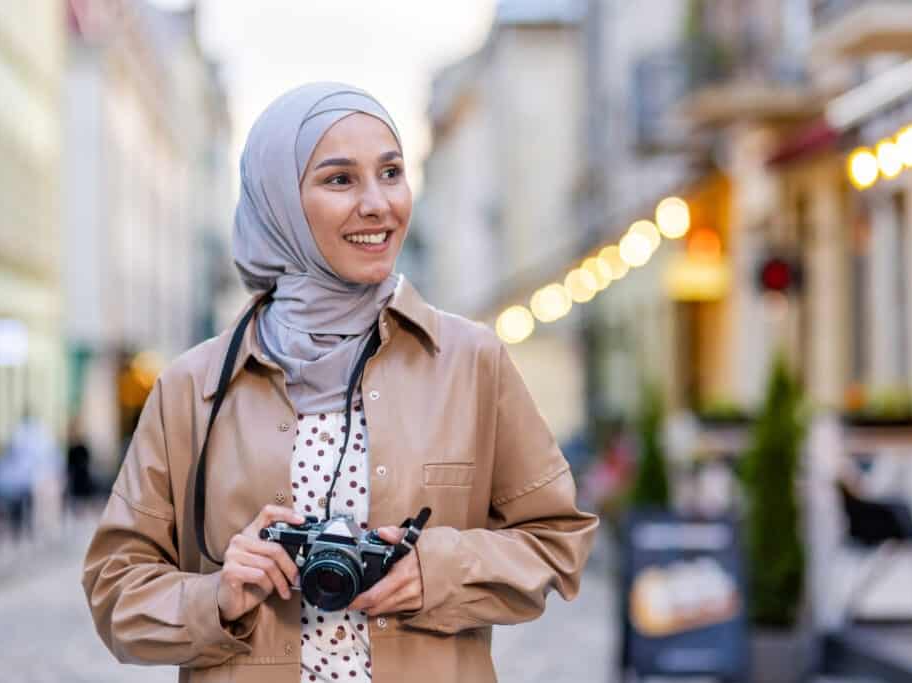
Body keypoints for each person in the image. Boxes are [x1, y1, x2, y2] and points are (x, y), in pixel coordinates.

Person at [82, 82, 598, 683]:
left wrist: (440, 569)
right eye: (339, 180)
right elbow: (115, 590)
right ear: (279, 204)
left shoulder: (471, 361)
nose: (378, 204)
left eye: (391, 172)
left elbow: (558, 539)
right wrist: (217, 596)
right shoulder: (190, 389)